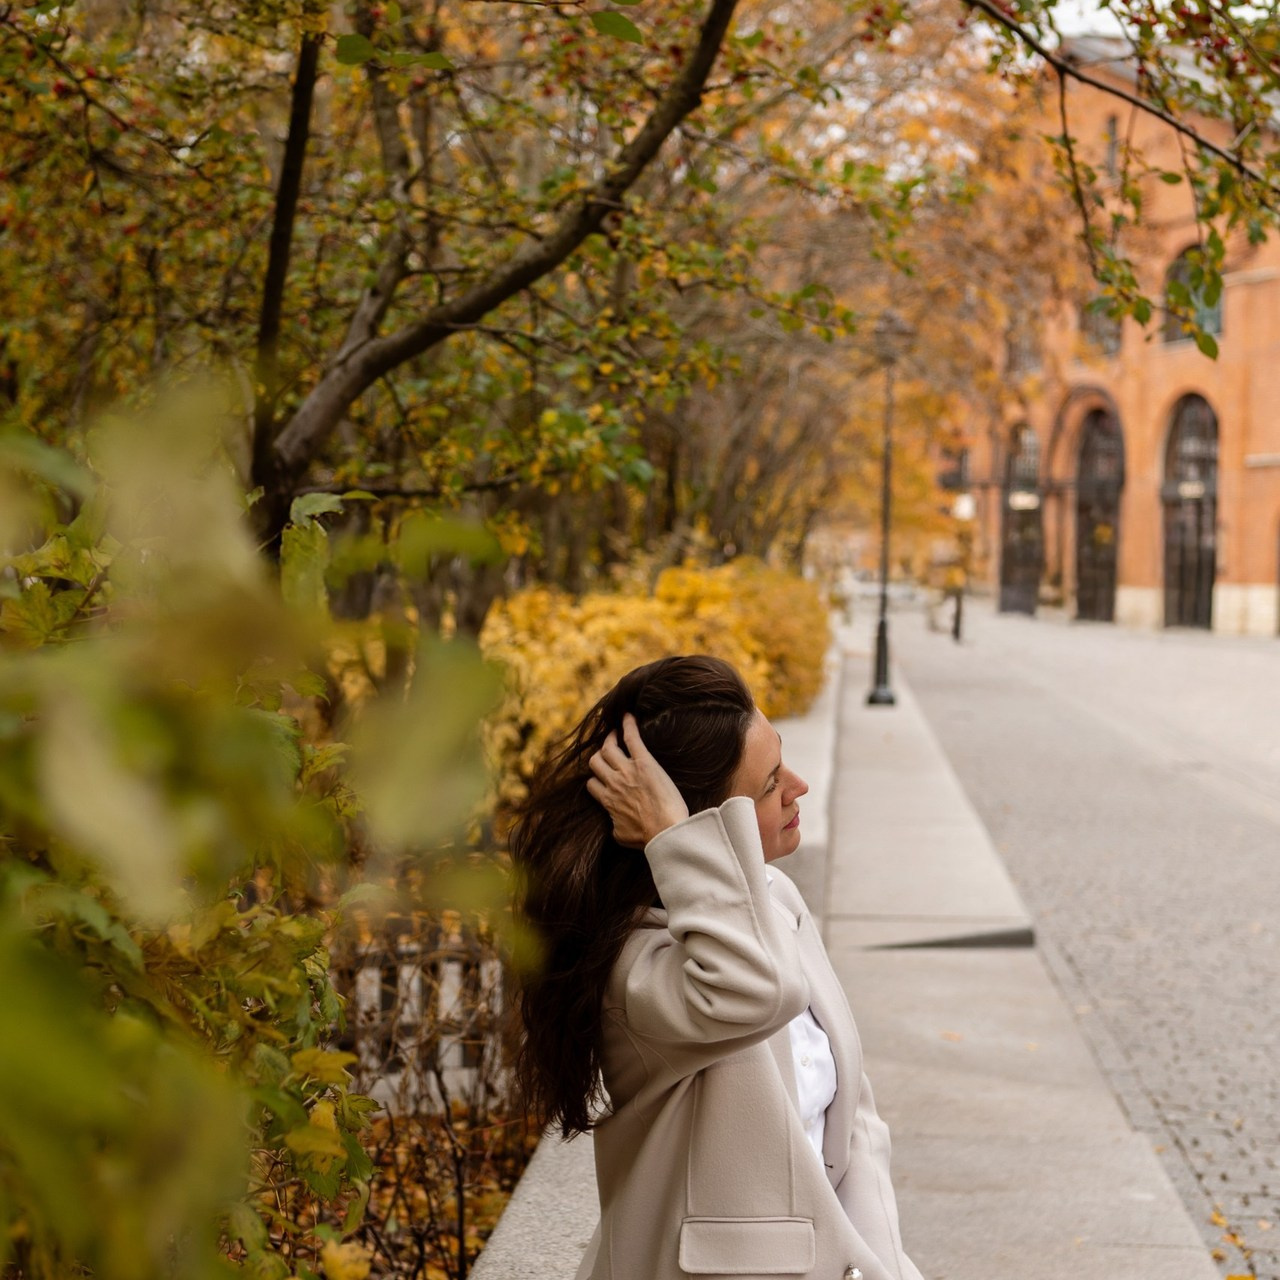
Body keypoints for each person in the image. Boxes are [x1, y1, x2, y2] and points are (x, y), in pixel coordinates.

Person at [510, 655, 924, 1280]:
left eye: (782, 761)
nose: (799, 786)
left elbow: (852, 1125)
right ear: (696, 830)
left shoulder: (773, 897)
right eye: (768, 784)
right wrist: (673, 832)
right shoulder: (636, 966)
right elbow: (758, 992)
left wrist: (887, 1263)